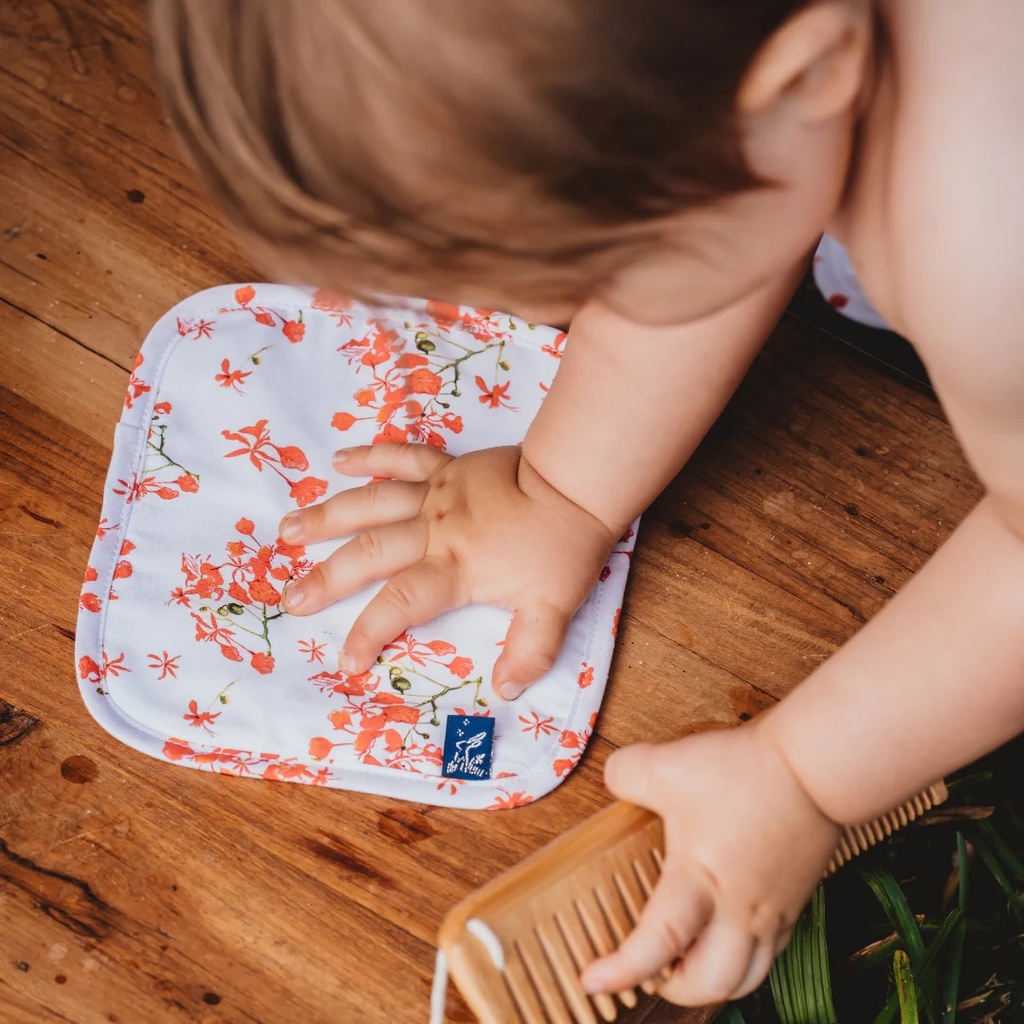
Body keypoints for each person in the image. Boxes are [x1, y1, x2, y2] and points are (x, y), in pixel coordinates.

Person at [150, 0, 1024, 1005]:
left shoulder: (982, 238)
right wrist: (557, 490)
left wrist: (804, 776)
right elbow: (740, 187)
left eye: (595, 273)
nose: (542, 319)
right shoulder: (769, 88)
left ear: (808, 71)